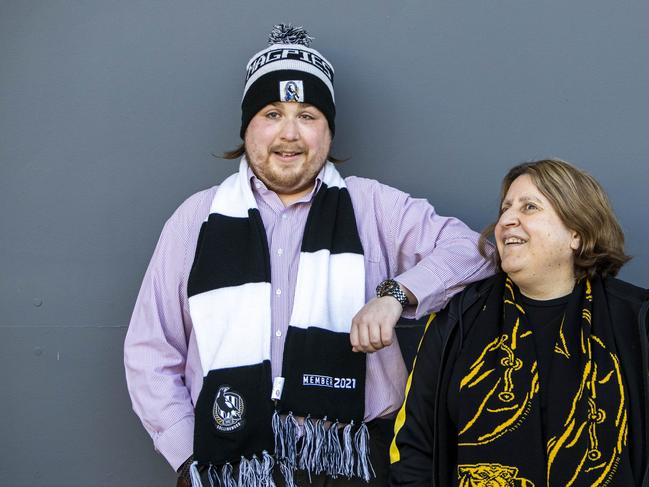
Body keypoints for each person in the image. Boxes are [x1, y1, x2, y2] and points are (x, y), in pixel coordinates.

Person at [124, 23, 493, 487]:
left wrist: (396, 294)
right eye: (273, 113)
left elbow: (477, 251)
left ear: (329, 132)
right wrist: (189, 458)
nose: (290, 134)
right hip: (226, 460)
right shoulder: (195, 218)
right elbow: (150, 349)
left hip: (353, 460)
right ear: (248, 127)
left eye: (308, 115)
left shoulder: (372, 205)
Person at [390, 158, 649, 486]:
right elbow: (414, 444)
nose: (507, 220)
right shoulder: (458, 317)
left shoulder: (637, 319)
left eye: (529, 207)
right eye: (505, 208)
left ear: (577, 234)